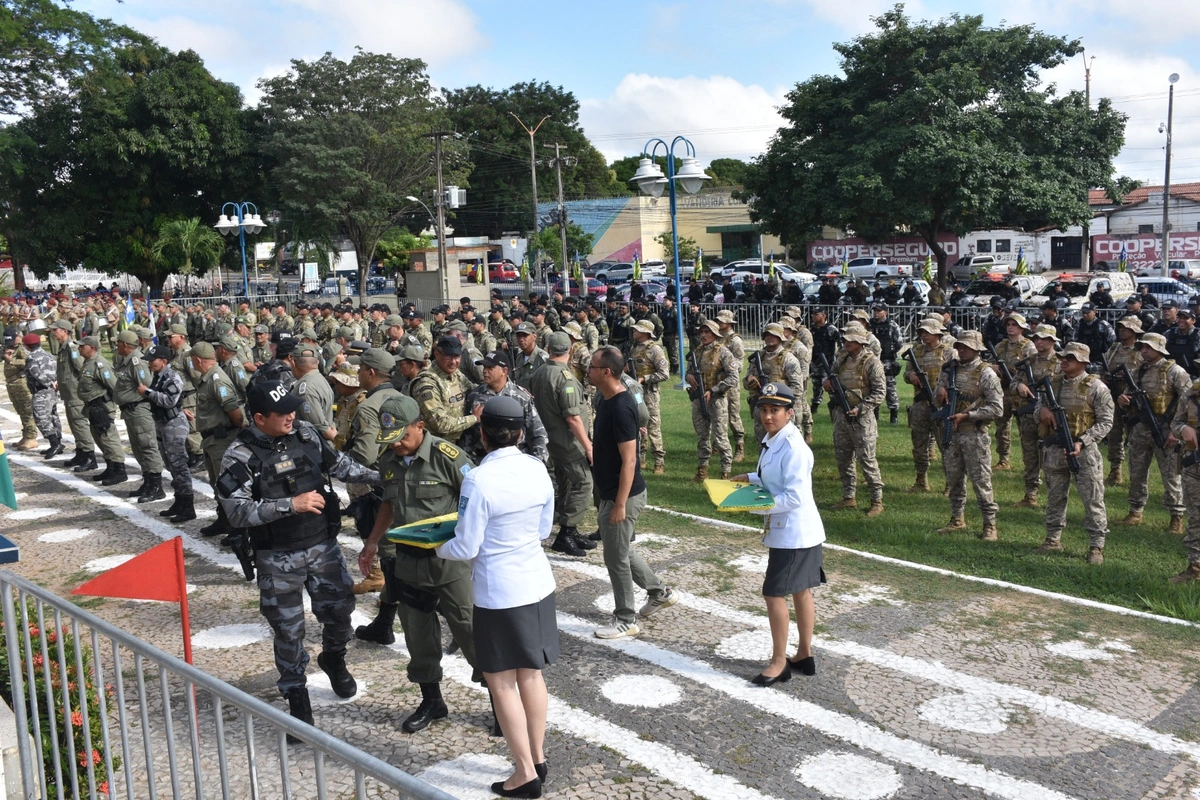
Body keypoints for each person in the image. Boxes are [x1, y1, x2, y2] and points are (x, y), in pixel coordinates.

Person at [217, 381, 379, 734]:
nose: (291, 415)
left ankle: (334, 658)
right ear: (259, 417)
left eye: (293, 408)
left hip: (323, 547)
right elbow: (237, 512)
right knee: (289, 631)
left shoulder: (305, 434)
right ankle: (296, 694)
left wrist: (383, 478)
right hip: (278, 557)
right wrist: (289, 505)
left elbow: (341, 466)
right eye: (282, 412)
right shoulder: (239, 456)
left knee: (340, 614)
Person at [437, 396, 557, 799]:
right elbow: (544, 528)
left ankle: (525, 772)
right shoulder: (537, 466)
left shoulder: (479, 479)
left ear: (483, 434)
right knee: (532, 674)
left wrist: (435, 547)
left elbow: (466, 545)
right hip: (536, 583)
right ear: (521, 433)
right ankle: (537, 757)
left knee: (502, 683)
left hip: (499, 591)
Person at [358, 395, 483, 734]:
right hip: (409, 563)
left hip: (450, 564)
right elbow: (388, 503)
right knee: (417, 634)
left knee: (471, 629)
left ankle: (500, 701)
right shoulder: (390, 461)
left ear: (420, 426)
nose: (397, 444)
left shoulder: (449, 458)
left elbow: (480, 498)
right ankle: (432, 699)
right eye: (391, 439)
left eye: (403, 436)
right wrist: (372, 541)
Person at [728, 382, 825, 686]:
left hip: (794, 535)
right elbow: (776, 476)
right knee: (800, 590)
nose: (768, 416)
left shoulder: (794, 446)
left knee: (774, 594)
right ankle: (804, 655)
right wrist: (752, 477)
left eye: (775, 410)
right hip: (798, 533)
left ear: (790, 413)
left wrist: (751, 505)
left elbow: (794, 497)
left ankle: (779, 662)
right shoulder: (776, 438)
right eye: (764, 410)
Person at [588, 346, 677, 639]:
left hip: (621, 495)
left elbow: (630, 460)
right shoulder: (605, 400)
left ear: (606, 372)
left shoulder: (622, 408)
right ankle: (659, 592)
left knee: (615, 558)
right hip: (611, 491)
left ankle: (625, 619)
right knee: (621, 549)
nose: (588, 370)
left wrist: (619, 504)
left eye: (592, 367)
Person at [1033, 343, 1114, 564]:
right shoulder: (1053, 384)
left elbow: (1106, 423)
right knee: (1055, 497)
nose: (1064, 360)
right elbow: (1035, 410)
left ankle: (1096, 546)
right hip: (1055, 450)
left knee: (1093, 499)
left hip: (1083, 453)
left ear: (1083, 362)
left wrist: (1083, 441)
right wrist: (1042, 411)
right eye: (1063, 357)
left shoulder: (1096, 387)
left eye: (1071, 357)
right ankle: (1053, 539)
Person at [934, 331, 1004, 540]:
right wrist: (940, 394)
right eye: (960, 346)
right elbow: (938, 395)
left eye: (966, 347)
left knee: (981, 481)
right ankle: (957, 518)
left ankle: (989, 524)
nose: (961, 350)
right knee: (954, 478)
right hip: (952, 434)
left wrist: (968, 415)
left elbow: (997, 408)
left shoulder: (986, 373)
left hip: (974, 434)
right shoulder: (949, 370)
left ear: (976, 349)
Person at [530, 332, 594, 557]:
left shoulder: (539, 373)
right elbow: (573, 417)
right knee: (584, 482)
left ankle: (569, 528)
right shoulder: (564, 377)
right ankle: (567, 532)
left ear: (548, 349)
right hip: (567, 441)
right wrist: (588, 446)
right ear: (571, 349)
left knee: (565, 482)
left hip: (549, 439)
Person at [1118, 332, 1189, 532]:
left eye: (1148, 347)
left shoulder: (1175, 371)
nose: (1144, 351)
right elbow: (1126, 396)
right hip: (1141, 429)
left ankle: (1176, 516)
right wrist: (1123, 401)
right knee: (1137, 471)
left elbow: (1188, 402)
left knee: (1171, 475)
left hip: (1167, 431)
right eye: (1142, 347)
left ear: (1159, 349)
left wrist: (1177, 431)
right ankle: (1135, 510)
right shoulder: (1138, 372)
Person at [825, 327, 886, 516]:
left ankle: (877, 500)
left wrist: (861, 408)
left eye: (851, 339)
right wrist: (827, 384)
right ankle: (848, 497)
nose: (846, 342)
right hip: (841, 417)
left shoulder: (871, 362)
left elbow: (879, 392)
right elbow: (831, 379)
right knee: (843, 459)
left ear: (861, 341)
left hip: (862, 419)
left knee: (867, 459)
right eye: (845, 339)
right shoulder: (841, 360)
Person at [191, 341, 246, 538]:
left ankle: (238, 527)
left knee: (228, 484)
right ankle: (224, 520)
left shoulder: (217, 380)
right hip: (211, 440)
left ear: (197, 360)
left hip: (222, 439)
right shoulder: (208, 378)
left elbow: (235, 412)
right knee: (217, 484)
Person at [139, 346, 196, 520]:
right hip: (163, 424)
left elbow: (169, 400)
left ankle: (188, 505)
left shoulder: (172, 377)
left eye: (152, 360)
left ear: (163, 360)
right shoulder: (159, 376)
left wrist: (147, 392)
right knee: (170, 465)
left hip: (174, 425)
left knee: (179, 465)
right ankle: (179, 500)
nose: (150, 363)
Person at [1010, 326, 1060, 507]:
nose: (1039, 342)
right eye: (1037, 338)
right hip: (1028, 415)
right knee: (1030, 456)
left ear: (1053, 341)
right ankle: (1030, 494)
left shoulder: (1060, 363)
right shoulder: (1028, 362)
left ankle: (1054, 497)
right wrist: (1019, 387)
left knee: (1051, 457)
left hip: (1049, 417)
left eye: (1044, 339)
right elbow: (1013, 382)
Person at [903, 318, 954, 493]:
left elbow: (957, 375)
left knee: (945, 445)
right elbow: (906, 373)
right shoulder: (916, 352)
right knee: (919, 444)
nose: (923, 335)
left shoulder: (948, 352)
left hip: (941, 405)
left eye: (927, 332)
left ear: (937, 333)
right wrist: (911, 376)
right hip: (920, 403)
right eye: (921, 332)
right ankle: (921, 481)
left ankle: (950, 483)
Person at [687, 320, 739, 481]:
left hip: (716, 400)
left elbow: (733, 377)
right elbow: (688, 371)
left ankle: (725, 471)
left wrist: (714, 390)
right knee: (702, 436)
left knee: (720, 436)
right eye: (701, 332)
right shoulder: (697, 352)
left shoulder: (723, 352)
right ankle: (702, 470)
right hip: (698, 398)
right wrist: (688, 376)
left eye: (707, 332)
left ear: (715, 334)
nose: (703, 335)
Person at [50, 320, 97, 471]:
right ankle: (81, 452)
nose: (53, 332)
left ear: (64, 330)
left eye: (56, 330)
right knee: (74, 424)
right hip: (69, 394)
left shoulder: (72, 347)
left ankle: (90, 456)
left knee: (80, 424)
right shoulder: (63, 348)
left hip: (76, 394)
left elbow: (81, 368)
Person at [1102, 317, 1143, 486]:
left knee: (1135, 437)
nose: (1121, 330)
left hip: (1132, 400)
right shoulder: (1114, 349)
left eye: (1126, 328)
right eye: (1120, 327)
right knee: (1114, 434)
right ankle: (1115, 470)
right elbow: (1105, 370)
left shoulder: (1141, 351)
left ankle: (1136, 473)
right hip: (1113, 396)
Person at [629, 319, 669, 473]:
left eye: (637, 329)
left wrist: (644, 379)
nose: (634, 331)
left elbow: (664, 374)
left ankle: (659, 461)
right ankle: (641, 458)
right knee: (638, 424)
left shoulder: (655, 349)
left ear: (645, 332)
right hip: (635, 393)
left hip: (649, 394)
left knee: (652, 426)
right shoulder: (635, 347)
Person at [22, 333, 63, 458]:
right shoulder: (49, 354)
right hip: (52, 391)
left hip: (41, 391)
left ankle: (55, 443)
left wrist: (48, 383)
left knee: (41, 418)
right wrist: (55, 384)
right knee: (53, 416)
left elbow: (36, 374)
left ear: (27, 346)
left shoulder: (32, 358)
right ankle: (58, 442)